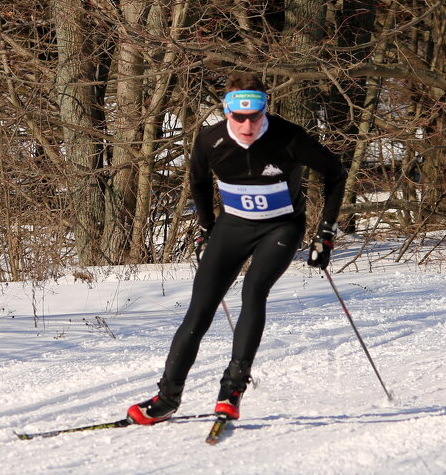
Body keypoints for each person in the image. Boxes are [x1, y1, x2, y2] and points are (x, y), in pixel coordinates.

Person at [127, 72, 345, 425]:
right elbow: (198, 182)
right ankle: (167, 398)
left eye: (255, 116)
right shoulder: (210, 140)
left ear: (265, 110)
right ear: (227, 112)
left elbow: (335, 174)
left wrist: (326, 232)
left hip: (281, 226)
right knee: (198, 311)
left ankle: (231, 389)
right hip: (234, 226)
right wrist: (205, 230)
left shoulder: (289, 138)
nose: (246, 126)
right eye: (238, 117)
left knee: (253, 289)